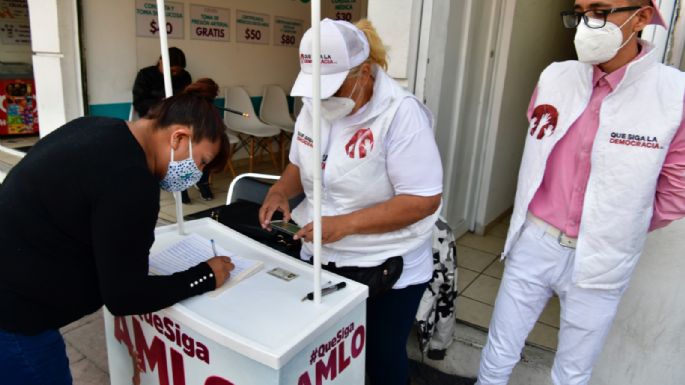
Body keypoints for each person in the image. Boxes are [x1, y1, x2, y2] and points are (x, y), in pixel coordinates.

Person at [476, 1, 685, 385]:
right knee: (498, 350)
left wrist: (622, 223)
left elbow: (677, 190)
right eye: (581, 10)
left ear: (640, 18)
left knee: (573, 372)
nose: (588, 24)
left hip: (604, 254)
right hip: (536, 239)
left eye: (602, 11)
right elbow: (538, 146)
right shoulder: (555, 76)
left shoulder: (673, 95)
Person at [0, 80, 233, 385]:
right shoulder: (131, 180)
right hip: (16, 318)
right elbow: (125, 297)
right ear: (178, 137)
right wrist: (204, 275)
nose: (196, 175)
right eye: (200, 162)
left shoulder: (95, 127)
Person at [259, 19, 443, 385]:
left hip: (386, 266)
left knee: (381, 357)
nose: (322, 98)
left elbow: (422, 200)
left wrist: (346, 225)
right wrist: (280, 191)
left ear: (363, 71)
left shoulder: (401, 113)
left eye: (332, 86)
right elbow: (300, 162)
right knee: (326, 352)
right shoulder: (315, 105)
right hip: (322, 257)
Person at [132, 46, 214, 203]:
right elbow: (139, 103)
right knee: (179, 144)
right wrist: (162, 104)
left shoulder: (184, 76)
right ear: (161, 62)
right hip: (155, 120)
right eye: (172, 70)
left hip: (181, 118)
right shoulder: (145, 75)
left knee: (204, 138)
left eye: (177, 71)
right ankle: (181, 185)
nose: (175, 74)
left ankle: (202, 181)